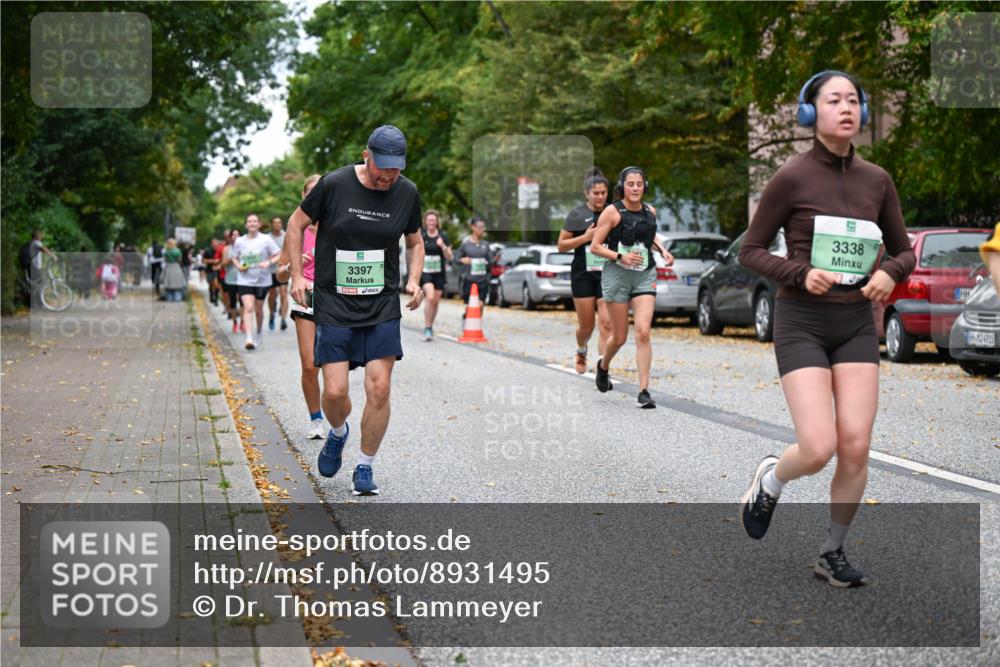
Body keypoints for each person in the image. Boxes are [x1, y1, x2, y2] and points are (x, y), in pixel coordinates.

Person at [736, 71, 915, 587]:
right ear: (810, 112)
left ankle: (831, 552)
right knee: (817, 448)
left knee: (855, 444)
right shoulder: (791, 176)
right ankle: (771, 479)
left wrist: (889, 272)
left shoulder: (877, 180)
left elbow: (904, 250)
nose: (846, 107)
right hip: (802, 322)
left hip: (856, 321)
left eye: (854, 100)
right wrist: (799, 272)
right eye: (833, 100)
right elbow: (749, 249)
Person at [287, 124, 424, 496]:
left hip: (380, 305)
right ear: (367, 155)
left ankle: (365, 466)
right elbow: (296, 224)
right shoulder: (334, 184)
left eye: (396, 168)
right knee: (333, 392)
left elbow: (415, 242)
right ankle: (337, 432)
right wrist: (298, 276)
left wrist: (414, 278)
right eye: (383, 167)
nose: (388, 176)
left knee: (379, 389)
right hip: (334, 303)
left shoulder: (407, 192)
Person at [589, 166, 674, 408]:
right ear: (623, 186)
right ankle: (603, 366)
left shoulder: (650, 211)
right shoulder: (612, 212)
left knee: (643, 332)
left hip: (644, 275)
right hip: (617, 275)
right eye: (630, 184)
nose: (635, 188)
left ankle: (644, 391)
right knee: (619, 337)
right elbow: (595, 246)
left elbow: (649, 236)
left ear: (644, 186)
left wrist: (663, 251)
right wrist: (619, 257)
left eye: (639, 184)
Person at [275, 174, 326, 439]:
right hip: (305, 298)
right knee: (309, 365)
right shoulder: (296, 230)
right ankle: (316, 419)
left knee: (333, 363)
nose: (316, 196)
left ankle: (336, 411)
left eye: (321, 191)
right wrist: (295, 268)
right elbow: (279, 275)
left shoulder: (336, 226)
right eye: (311, 192)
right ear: (304, 197)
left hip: (334, 299)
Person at [558, 167, 612, 373]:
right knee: (586, 327)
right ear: (586, 193)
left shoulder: (612, 212)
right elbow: (561, 245)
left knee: (607, 323)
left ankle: (602, 367)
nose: (599, 197)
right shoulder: (577, 214)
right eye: (595, 193)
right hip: (583, 275)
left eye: (603, 193)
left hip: (607, 274)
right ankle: (581, 349)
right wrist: (585, 238)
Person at [232, 214, 281, 350]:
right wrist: (239, 266)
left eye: (254, 221)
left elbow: (279, 254)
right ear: (246, 225)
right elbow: (234, 257)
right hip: (244, 280)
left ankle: (258, 332)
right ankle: (249, 337)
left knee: (259, 310)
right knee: (248, 307)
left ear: (259, 224)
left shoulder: (266, 239)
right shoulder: (240, 241)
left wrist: (268, 262)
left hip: (262, 280)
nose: (252, 223)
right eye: (249, 221)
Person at [418, 209, 453, 340]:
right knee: (430, 297)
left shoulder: (443, 236)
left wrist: (442, 245)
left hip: (439, 273)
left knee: (436, 302)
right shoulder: (422, 235)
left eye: (433, 220)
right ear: (425, 222)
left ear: (437, 222)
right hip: (426, 272)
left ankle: (430, 326)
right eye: (429, 220)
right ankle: (427, 327)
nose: (431, 222)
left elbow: (450, 256)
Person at [454, 216, 493, 325]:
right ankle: (466, 317)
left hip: (482, 280)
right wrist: (462, 259)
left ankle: (476, 326)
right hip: (469, 280)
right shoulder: (465, 245)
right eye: (479, 227)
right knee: (470, 305)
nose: (481, 230)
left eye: (483, 227)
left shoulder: (485, 245)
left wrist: (492, 261)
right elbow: (456, 259)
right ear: (473, 227)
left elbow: (490, 262)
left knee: (480, 305)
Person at [267, 216, 290, 332]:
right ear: (271, 224)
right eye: (275, 223)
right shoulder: (267, 238)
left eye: (279, 222)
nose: (277, 224)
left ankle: (283, 320)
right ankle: (271, 314)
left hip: (283, 269)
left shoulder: (286, 235)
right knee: (272, 294)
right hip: (271, 271)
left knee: (283, 293)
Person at [221, 230, 242, 331]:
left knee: (243, 302)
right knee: (233, 301)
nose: (235, 237)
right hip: (230, 279)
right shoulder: (226, 249)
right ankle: (235, 322)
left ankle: (243, 322)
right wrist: (231, 259)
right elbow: (223, 264)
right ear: (230, 237)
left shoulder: (245, 247)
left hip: (243, 279)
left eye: (237, 235)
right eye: (233, 235)